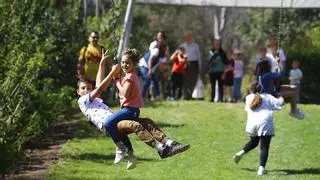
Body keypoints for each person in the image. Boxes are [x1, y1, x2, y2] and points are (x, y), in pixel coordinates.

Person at [77, 52, 190, 169]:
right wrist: (112, 73)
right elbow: (100, 88)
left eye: (89, 88)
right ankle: (159, 148)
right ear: (78, 92)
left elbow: (98, 85)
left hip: (115, 121)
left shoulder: (96, 100)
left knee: (146, 122)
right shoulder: (82, 101)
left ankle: (169, 143)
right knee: (135, 125)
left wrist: (102, 64)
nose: (87, 90)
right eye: (83, 88)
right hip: (109, 126)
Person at [233, 81, 285, 176]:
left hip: (252, 124)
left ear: (251, 89)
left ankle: (240, 153)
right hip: (265, 123)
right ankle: (261, 170)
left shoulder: (248, 98)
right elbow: (280, 103)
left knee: (254, 141)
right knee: (264, 147)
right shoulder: (268, 96)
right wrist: (279, 95)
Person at [103, 48, 144, 164]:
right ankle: (131, 156)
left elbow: (124, 93)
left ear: (134, 64)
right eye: (123, 62)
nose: (124, 65)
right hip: (131, 110)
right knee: (119, 131)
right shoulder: (131, 75)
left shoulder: (130, 77)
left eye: (127, 63)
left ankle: (120, 147)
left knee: (107, 123)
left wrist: (116, 81)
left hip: (130, 110)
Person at [179, 31, 201, 100]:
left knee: (193, 80)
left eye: (189, 37)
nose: (188, 38)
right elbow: (179, 56)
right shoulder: (182, 46)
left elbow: (198, 56)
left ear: (191, 37)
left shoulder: (195, 45)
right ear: (185, 38)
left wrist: (200, 66)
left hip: (194, 64)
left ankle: (190, 95)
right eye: (186, 37)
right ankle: (185, 95)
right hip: (185, 63)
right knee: (185, 80)